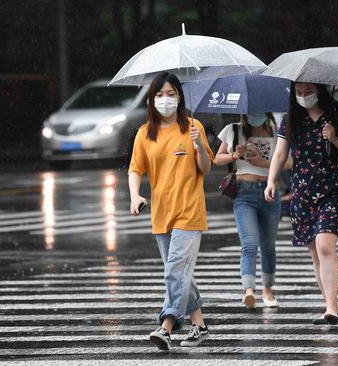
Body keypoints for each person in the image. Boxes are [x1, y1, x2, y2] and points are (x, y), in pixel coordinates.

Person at [128, 71, 214, 351]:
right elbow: (135, 169)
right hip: (161, 213)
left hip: (189, 211)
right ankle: (199, 326)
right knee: (178, 271)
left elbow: (206, 168)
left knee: (175, 270)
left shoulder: (193, 126)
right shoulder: (145, 133)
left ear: (180, 97)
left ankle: (166, 325)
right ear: (151, 100)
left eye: (171, 94)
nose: (165, 99)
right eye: (160, 94)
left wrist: (199, 145)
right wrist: (135, 195)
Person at [264, 82, 338, 324]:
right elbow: (280, 153)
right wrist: (271, 181)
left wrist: (335, 138)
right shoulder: (292, 117)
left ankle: (332, 308)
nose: (303, 97)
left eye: (308, 92)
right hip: (303, 191)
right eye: (298, 93)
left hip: (334, 189)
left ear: (319, 89)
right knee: (316, 254)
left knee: (325, 245)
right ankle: (330, 306)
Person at [215, 113, 283, 309]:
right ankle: (249, 291)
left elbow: (289, 162)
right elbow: (217, 158)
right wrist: (234, 155)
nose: (256, 113)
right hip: (244, 192)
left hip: (270, 191)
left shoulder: (277, 131)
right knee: (249, 243)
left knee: (268, 245)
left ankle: (268, 291)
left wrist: (263, 163)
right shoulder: (233, 130)